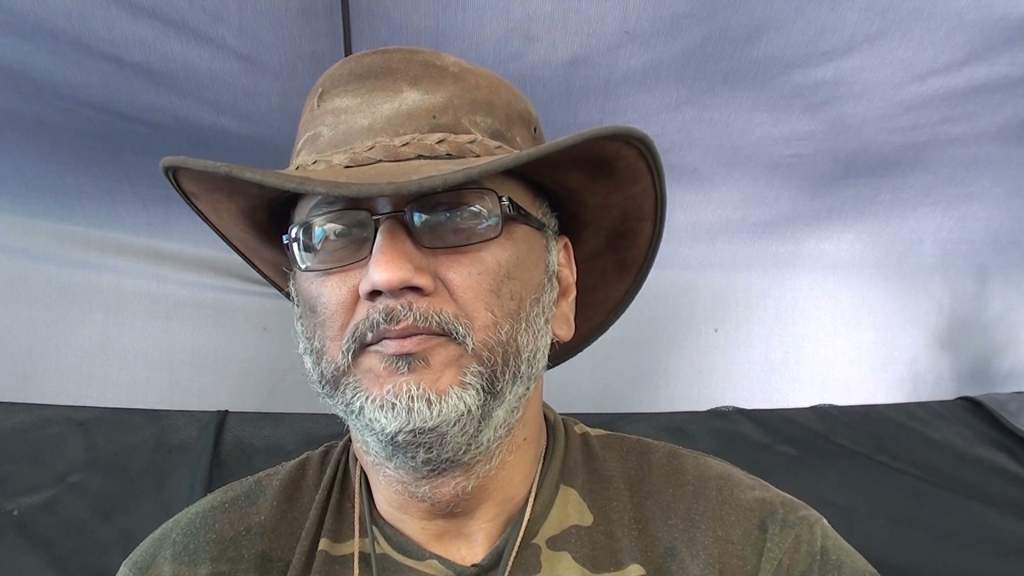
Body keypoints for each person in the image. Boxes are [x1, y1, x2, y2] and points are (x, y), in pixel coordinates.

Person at [119, 46, 877, 575]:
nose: (387, 273)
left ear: (560, 285)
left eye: (456, 215)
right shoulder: (195, 563)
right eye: (334, 233)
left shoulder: (754, 551)